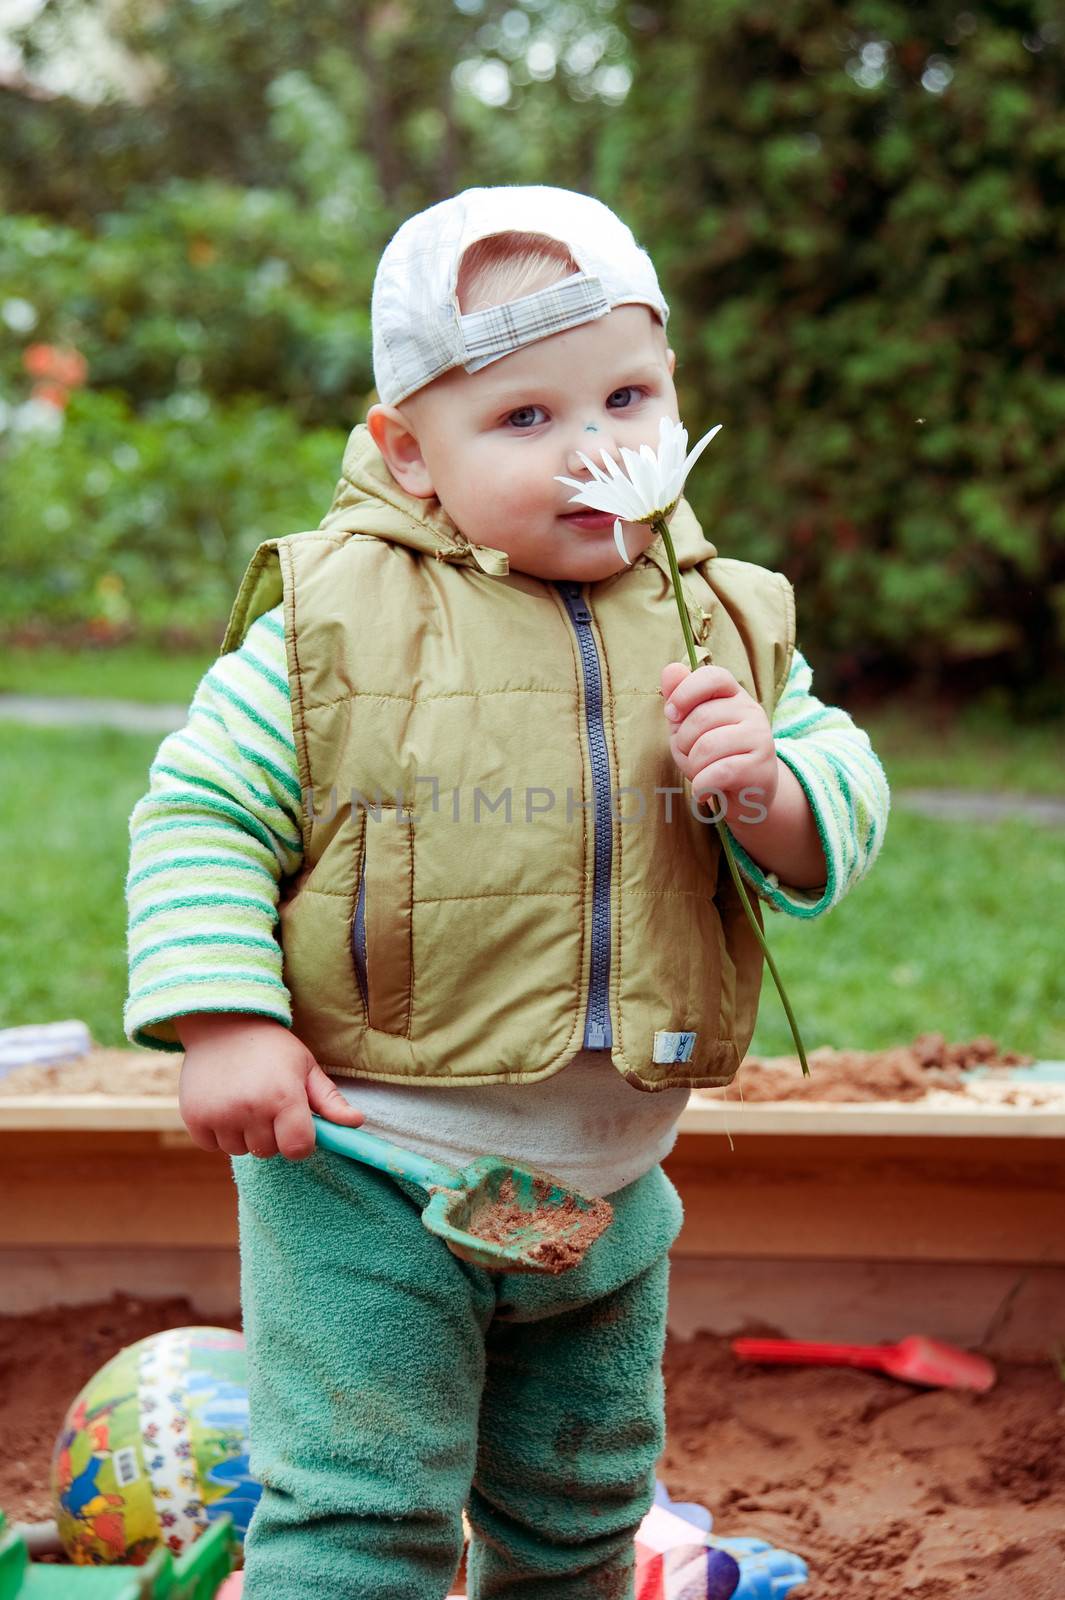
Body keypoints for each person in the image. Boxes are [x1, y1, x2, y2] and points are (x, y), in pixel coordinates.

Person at [125, 185, 889, 1598]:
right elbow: (199, 807)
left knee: (580, 1511)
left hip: (608, 1188)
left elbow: (842, 789)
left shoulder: (722, 613)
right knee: (363, 1515)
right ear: (410, 454)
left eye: (627, 396)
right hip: (368, 1168)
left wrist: (770, 791)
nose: (596, 445)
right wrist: (224, 1018)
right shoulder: (333, 627)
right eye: (525, 419)